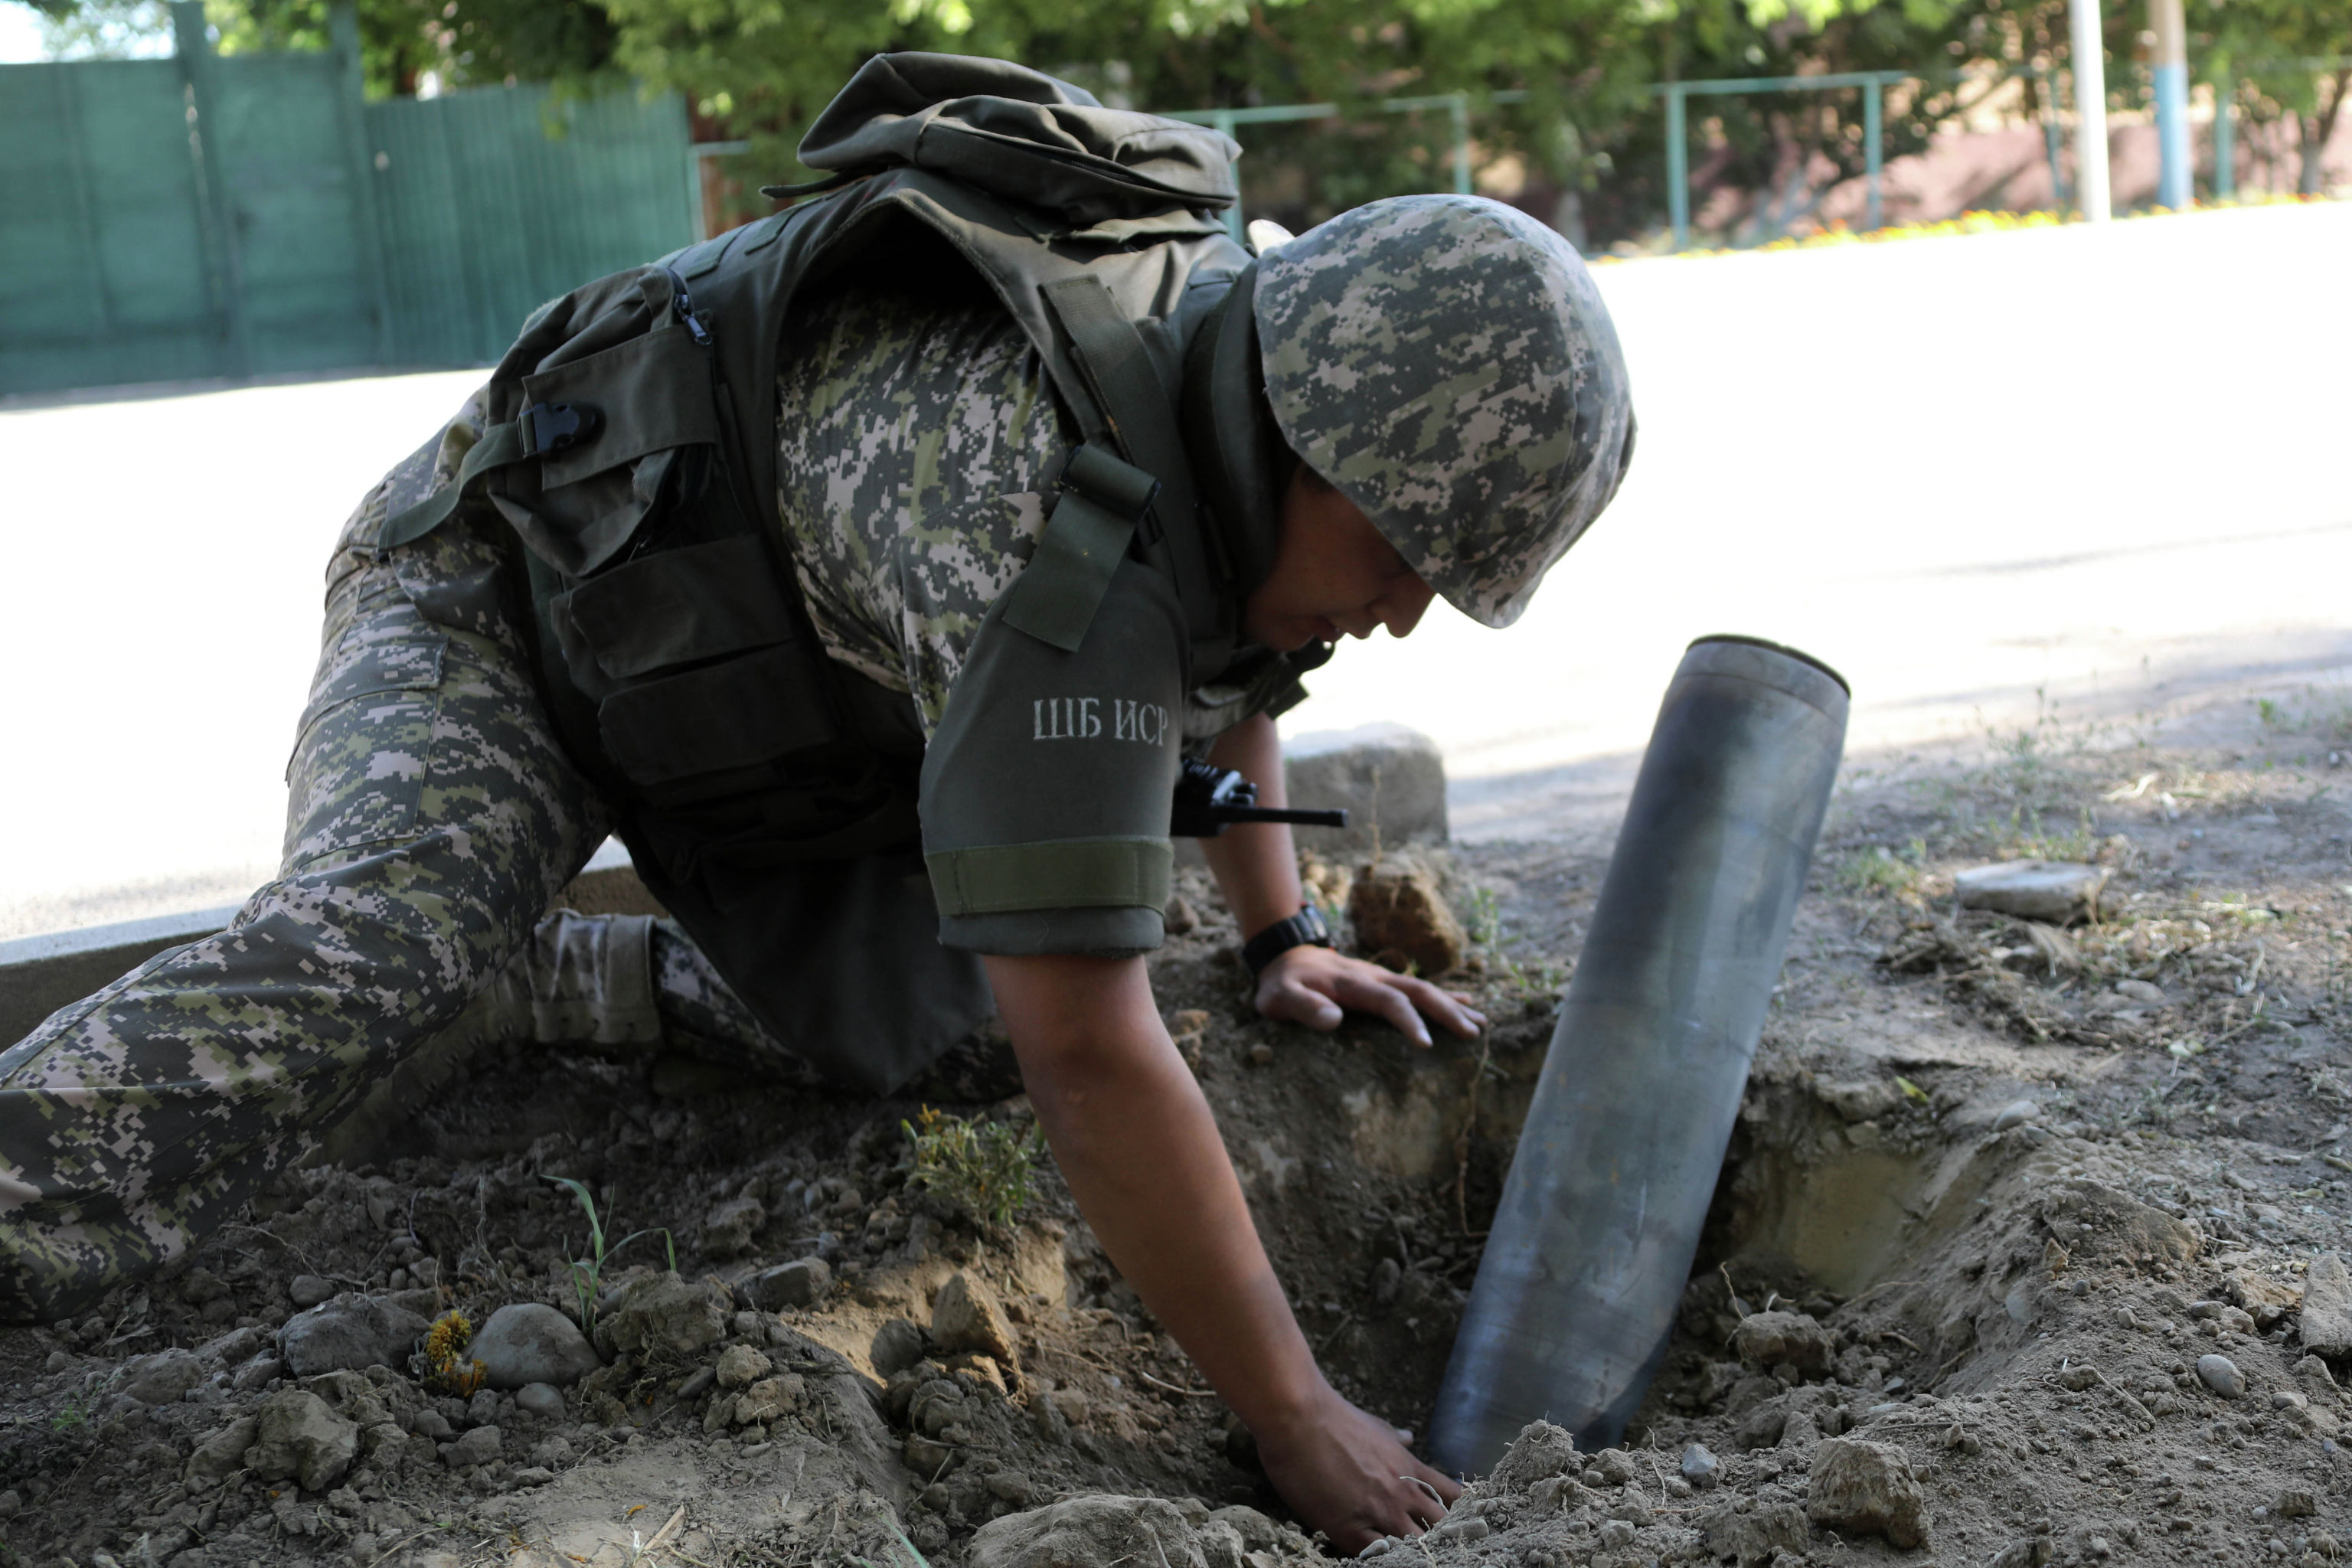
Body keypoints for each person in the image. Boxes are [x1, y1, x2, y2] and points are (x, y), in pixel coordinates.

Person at [0, 60, 1633, 1552]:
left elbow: (1246, 656)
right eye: (1405, 555)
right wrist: (1297, 1418)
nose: (1409, 611)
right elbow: (1092, 1041)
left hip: (768, 695)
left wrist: (1285, 928)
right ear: (1307, 428)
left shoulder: (1252, 361)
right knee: (387, 944)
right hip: (494, 597)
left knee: (953, 1028)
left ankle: (579, 975)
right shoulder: (1042, 533)